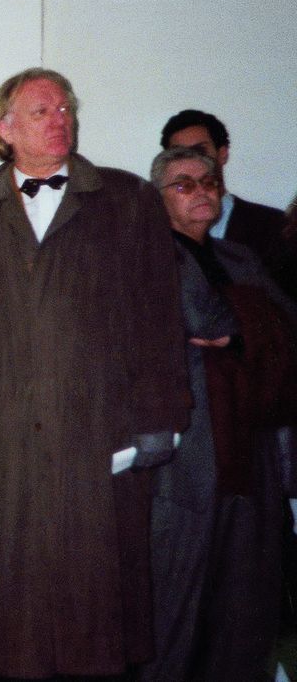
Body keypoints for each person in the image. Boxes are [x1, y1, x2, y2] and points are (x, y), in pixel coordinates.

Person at [0, 68, 189, 679]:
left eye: (66, 108)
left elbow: (158, 318)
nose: (60, 119)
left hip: (101, 427)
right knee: (16, 579)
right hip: (6, 434)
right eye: (43, 110)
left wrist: (159, 423)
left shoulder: (126, 201)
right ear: (5, 129)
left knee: (101, 587)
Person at [140, 146, 297, 682]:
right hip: (185, 451)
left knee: (245, 596)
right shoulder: (148, 254)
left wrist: (239, 332)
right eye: (184, 184)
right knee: (176, 597)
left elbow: (286, 330)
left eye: (209, 181)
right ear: (157, 197)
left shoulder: (241, 258)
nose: (202, 191)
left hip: (251, 443)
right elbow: (204, 314)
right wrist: (251, 327)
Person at [160, 109, 288, 270]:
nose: (192, 161)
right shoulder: (152, 233)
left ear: (223, 154)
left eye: (200, 151)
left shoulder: (274, 226)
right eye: (180, 154)